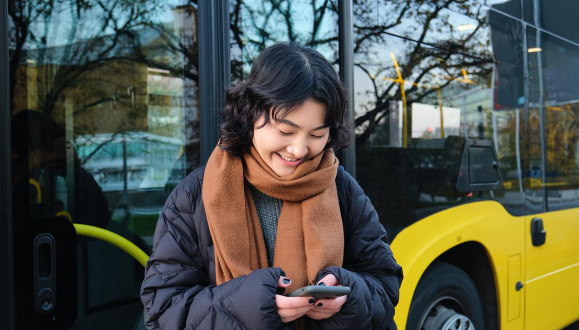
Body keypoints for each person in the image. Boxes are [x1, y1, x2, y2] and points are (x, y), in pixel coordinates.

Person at [140, 42, 402, 329]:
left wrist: (349, 297)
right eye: (286, 131)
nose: (299, 149)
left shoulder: (342, 189)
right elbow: (163, 309)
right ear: (251, 113)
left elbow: (384, 283)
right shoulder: (193, 196)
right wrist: (249, 306)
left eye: (317, 135)